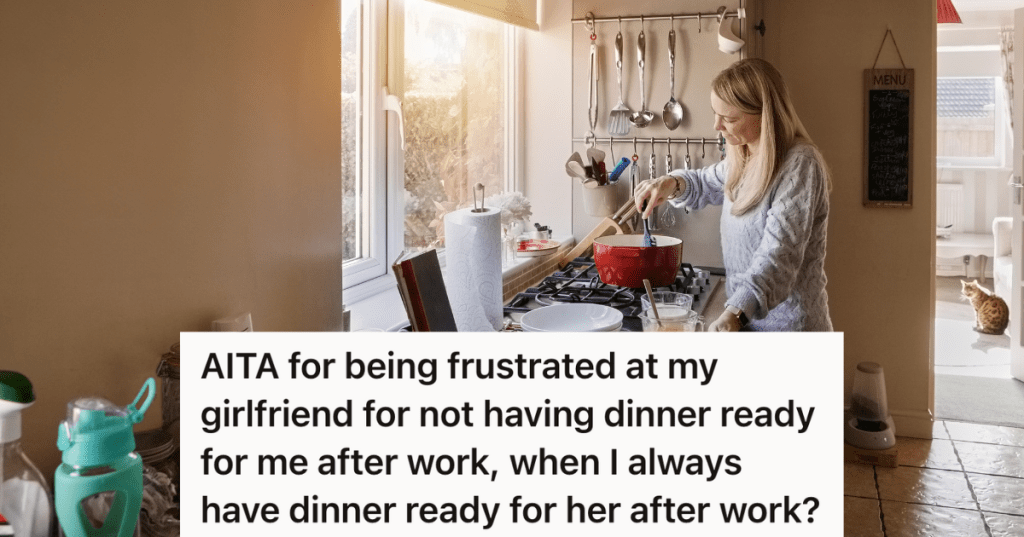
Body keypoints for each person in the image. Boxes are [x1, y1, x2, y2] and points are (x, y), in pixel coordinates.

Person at [634, 58, 832, 332]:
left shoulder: (800, 164)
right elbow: (704, 182)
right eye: (716, 113)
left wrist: (736, 312)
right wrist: (670, 183)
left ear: (766, 116)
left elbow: (778, 257)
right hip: (747, 322)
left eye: (729, 118)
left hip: (790, 332)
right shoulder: (745, 154)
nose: (717, 125)